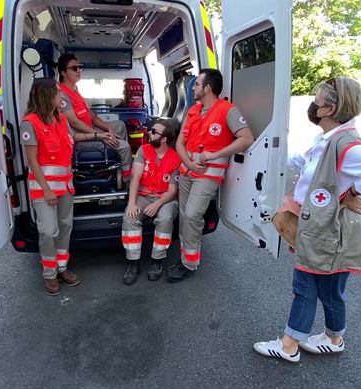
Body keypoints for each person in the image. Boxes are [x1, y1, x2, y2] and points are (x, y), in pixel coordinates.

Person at [253, 77, 361, 362]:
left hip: (328, 232)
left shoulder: (347, 145)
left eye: (317, 101)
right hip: (324, 230)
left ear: (330, 108)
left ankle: (288, 345)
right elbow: (300, 161)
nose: (313, 105)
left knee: (305, 286)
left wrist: (354, 191)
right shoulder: (326, 140)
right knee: (331, 290)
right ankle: (334, 338)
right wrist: (262, 150)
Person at [166, 68, 254, 282]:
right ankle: (185, 256)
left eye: (196, 84)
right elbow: (180, 143)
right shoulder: (193, 111)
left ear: (207, 88)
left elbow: (246, 139)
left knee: (193, 215)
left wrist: (215, 154)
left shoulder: (227, 110)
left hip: (208, 175)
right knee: (185, 216)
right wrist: (188, 163)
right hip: (187, 171)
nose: (192, 87)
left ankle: (189, 263)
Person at [20, 78, 80, 296]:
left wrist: (99, 134)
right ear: (45, 95)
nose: (61, 95)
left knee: (65, 227)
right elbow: (33, 161)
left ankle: (62, 268)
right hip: (43, 190)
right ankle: (50, 273)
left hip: (65, 187)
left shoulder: (61, 120)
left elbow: (72, 142)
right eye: (57, 92)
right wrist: (46, 189)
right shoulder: (30, 123)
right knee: (47, 231)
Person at [56, 53, 132, 183]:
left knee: (119, 125)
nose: (79, 70)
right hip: (79, 138)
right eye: (74, 68)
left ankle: (119, 160)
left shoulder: (75, 91)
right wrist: (100, 134)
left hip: (90, 129)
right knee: (125, 147)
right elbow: (74, 123)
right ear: (63, 72)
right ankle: (128, 180)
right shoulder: (62, 95)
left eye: (80, 67)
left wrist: (108, 128)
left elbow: (92, 117)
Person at [121, 120, 181, 285]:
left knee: (165, 219)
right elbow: (135, 178)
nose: (149, 132)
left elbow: (172, 191)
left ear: (163, 139)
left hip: (165, 198)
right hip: (143, 195)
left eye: (154, 131)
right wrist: (131, 204)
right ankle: (133, 263)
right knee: (130, 218)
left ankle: (157, 261)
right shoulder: (144, 149)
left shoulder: (175, 157)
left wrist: (157, 205)